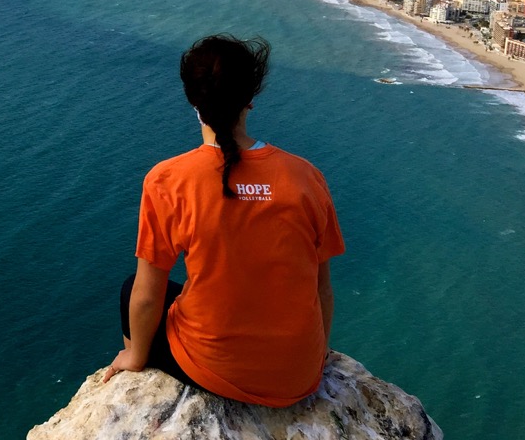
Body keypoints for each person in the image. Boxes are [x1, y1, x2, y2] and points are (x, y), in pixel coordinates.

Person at [100, 34, 344, 407]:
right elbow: (321, 289)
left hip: (216, 367)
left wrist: (133, 356)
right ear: (251, 97)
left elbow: (148, 296)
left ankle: (139, 366)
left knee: (132, 287)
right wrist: (317, 356)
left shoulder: (168, 179)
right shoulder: (306, 177)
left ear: (193, 99)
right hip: (298, 375)